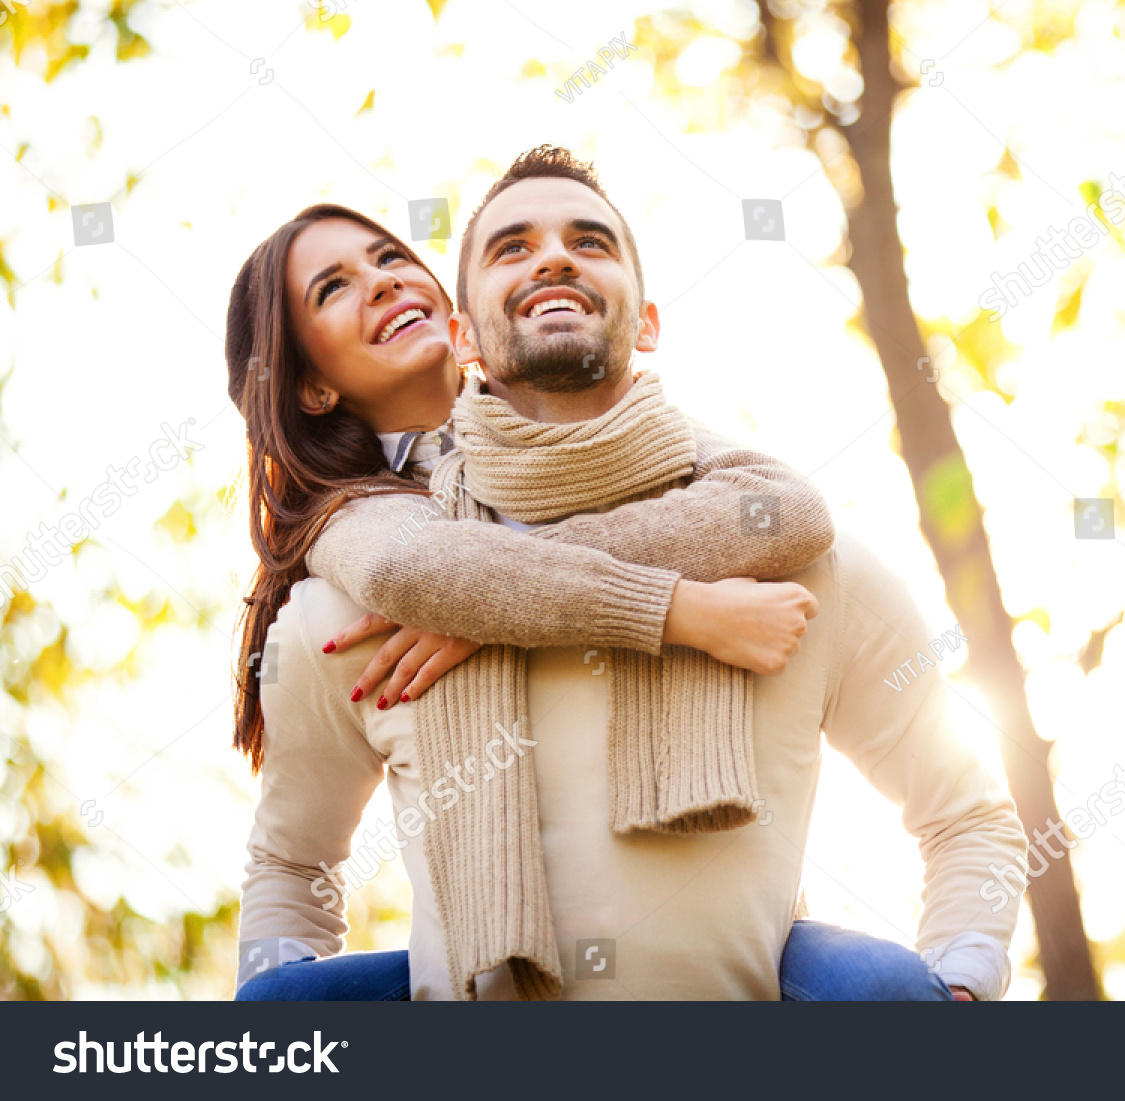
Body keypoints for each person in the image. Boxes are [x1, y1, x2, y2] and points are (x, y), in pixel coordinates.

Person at [232, 148, 1025, 1001]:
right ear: (463, 338)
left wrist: (962, 986)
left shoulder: (805, 572)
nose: (553, 257)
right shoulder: (356, 615)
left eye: (588, 240)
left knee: (882, 988)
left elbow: (970, 815)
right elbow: (290, 865)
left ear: (647, 321)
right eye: (511, 248)